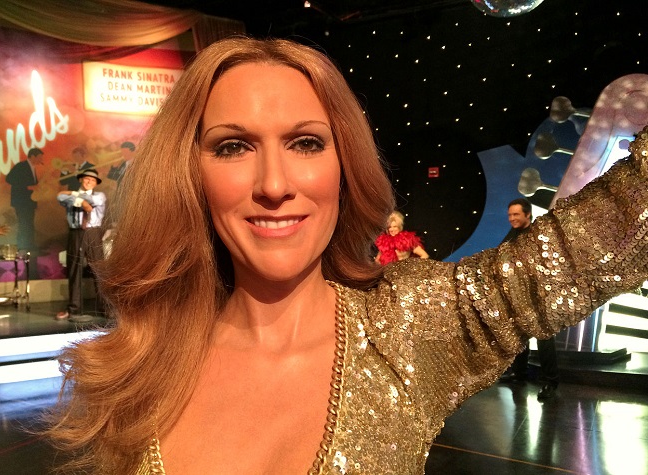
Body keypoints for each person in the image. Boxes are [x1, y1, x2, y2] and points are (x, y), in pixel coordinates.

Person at [46, 38, 648, 475]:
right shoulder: (138, 364)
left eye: (306, 143)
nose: (274, 184)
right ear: (190, 175)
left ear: (343, 167)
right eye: (233, 147)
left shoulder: (411, 326)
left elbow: (614, 222)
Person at [498, 198, 560, 400]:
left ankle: (550, 382)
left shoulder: (537, 234)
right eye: (510, 215)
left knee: (544, 337)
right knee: (520, 334)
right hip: (519, 294)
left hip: (540, 294)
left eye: (516, 214)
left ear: (527, 214)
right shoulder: (512, 235)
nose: (512, 218)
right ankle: (519, 373)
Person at [55, 169, 106, 320]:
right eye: (86, 179)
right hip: (75, 233)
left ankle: (105, 308)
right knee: (74, 270)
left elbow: (93, 201)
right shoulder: (69, 196)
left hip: (93, 233)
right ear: (80, 180)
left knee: (99, 270)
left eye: (93, 180)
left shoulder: (100, 196)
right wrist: (82, 202)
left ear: (96, 183)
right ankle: (74, 309)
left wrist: (74, 195)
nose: (89, 182)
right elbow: (60, 197)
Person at [5, 147, 44, 251]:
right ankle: (23, 247)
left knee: (29, 224)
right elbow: (9, 179)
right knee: (24, 224)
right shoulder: (21, 166)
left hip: (29, 201)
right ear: (32, 156)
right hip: (21, 201)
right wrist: (27, 187)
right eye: (39, 157)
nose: (41, 160)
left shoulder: (32, 167)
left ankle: (30, 246)